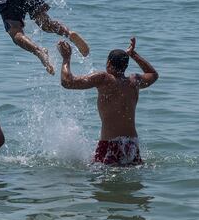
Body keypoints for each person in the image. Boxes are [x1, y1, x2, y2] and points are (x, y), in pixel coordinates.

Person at [57, 37, 158, 165]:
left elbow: (67, 82)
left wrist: (66, 58)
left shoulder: (104, 79)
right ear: (125, 65)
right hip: (131, 144)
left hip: (110, 145)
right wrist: (133, 54)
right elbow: (153, 74)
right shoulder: (134, 81)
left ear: (109, 63)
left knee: (100, 174)